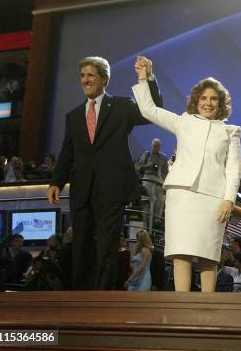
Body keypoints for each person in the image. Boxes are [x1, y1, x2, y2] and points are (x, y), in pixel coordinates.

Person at [47, 56, 162, 290]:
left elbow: (152, 111)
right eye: (82, 76)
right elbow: (67, 152)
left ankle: (103, 297)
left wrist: (148, 78)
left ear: (104, 79)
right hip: (82, 190)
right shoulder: (73, 116)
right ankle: (79, 297)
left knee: (107, 247)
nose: (85, 80)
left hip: (112, 189)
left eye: (90, 75)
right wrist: (56, 182)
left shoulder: (121, 106)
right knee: (81, 245)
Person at [132, 58, 241, 293]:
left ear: (221, 103)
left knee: (208, 256)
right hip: (181, 195)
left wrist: (229, 199)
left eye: (213, 99)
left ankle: (207, 308)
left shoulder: (230, 132)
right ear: (196, 100)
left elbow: (233, 169)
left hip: (213, 199)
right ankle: (182, 307)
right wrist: (144, 77)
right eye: (204, 98)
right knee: (180, 252)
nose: (208, 103)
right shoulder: (184, 122)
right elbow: (148, 110)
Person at [137, 138, 169, 225]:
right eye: (155, 146)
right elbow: (139, 167)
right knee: (150, 199)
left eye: (158, 146)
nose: (156, 148)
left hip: (159, 178)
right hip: (148, 177)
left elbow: (166, 171)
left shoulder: (164, 157)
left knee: (160, 200)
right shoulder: (146, 154)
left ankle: (156, 220)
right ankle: (147, 220)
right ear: (152, 145)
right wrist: (148, 166)